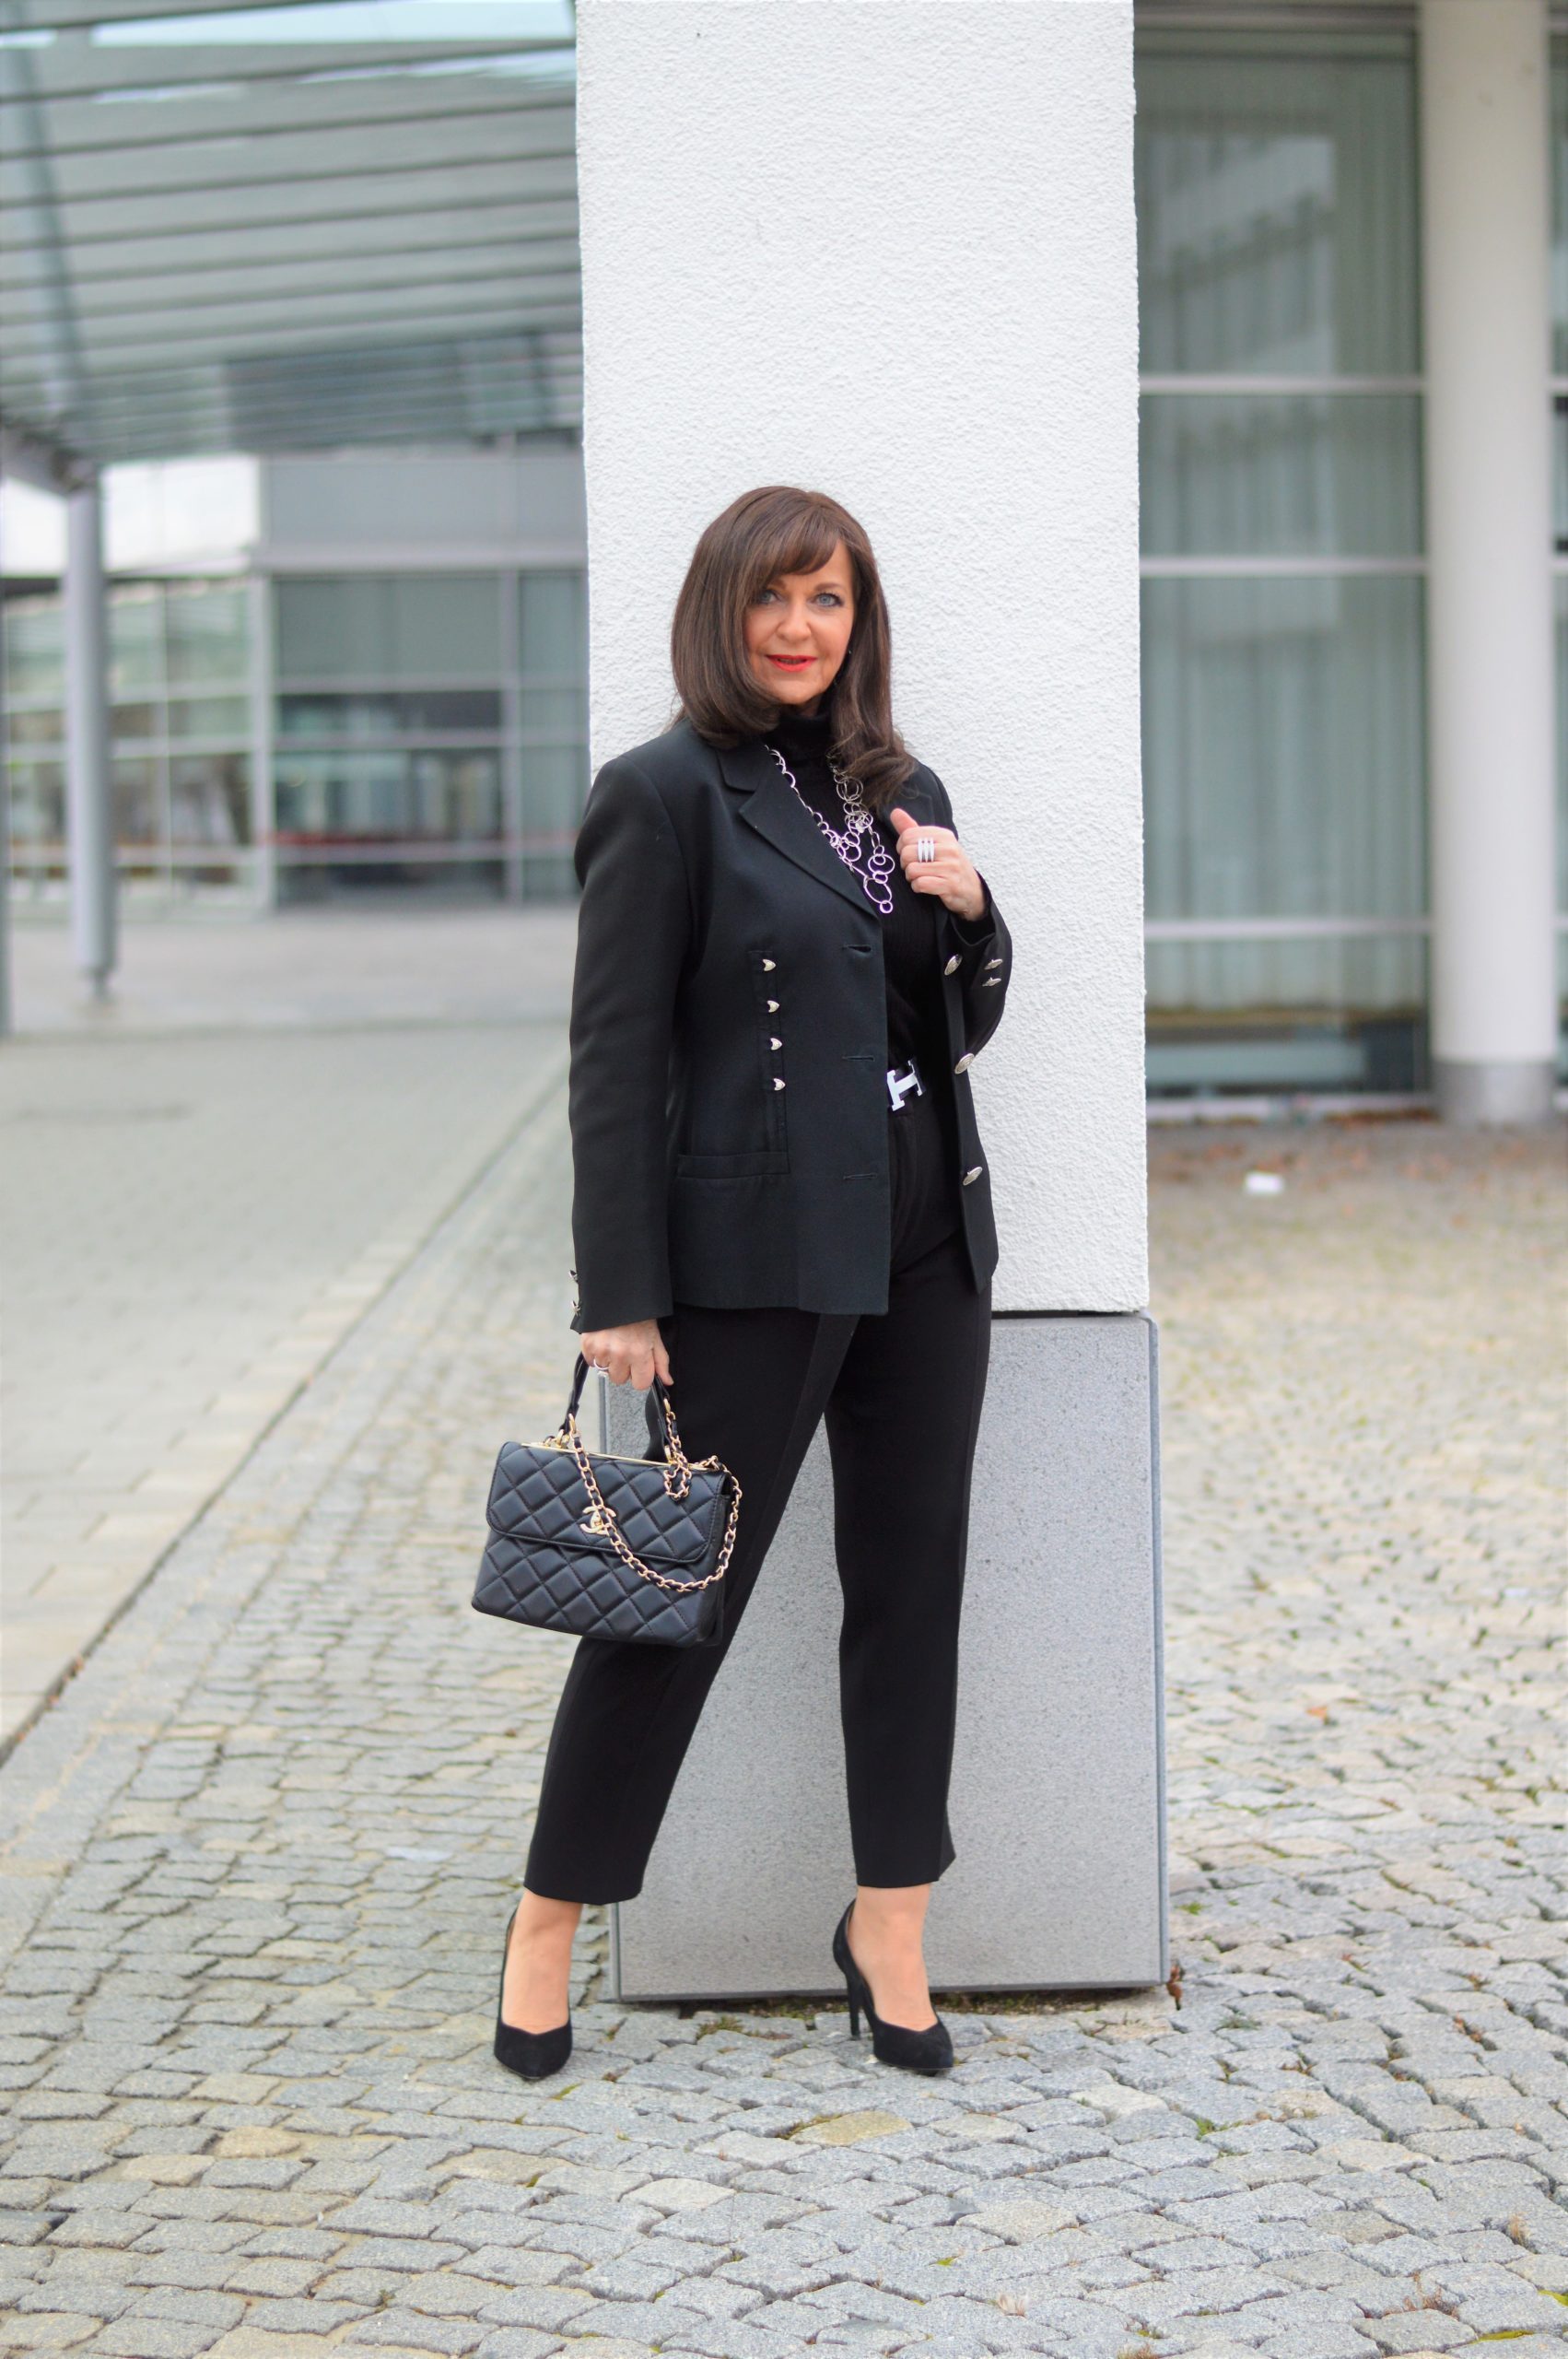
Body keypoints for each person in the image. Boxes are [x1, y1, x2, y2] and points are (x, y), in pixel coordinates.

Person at [493, 485, 1012, 2083]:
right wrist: (618, 1290)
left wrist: (972, 912)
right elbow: (612, 1060)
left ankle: (890, 1924)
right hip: (754, 1254)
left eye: (829, 599)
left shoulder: (897, 789)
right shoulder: (659, 795)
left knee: (912, 1586)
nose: (800, 627)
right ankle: (549, 1916)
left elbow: (949, 1020)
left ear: (860, 620)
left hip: (925, 1242)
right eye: (773, 597)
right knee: (671, 1597)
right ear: (719, 612)